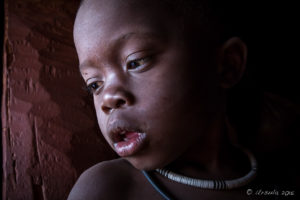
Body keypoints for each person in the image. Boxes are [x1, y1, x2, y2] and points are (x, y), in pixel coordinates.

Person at [68, 0, 261, 199]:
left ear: (227, 65)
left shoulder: (283, 180)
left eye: (136, 61)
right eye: (94, 84)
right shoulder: (106, 189)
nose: (107, 99)